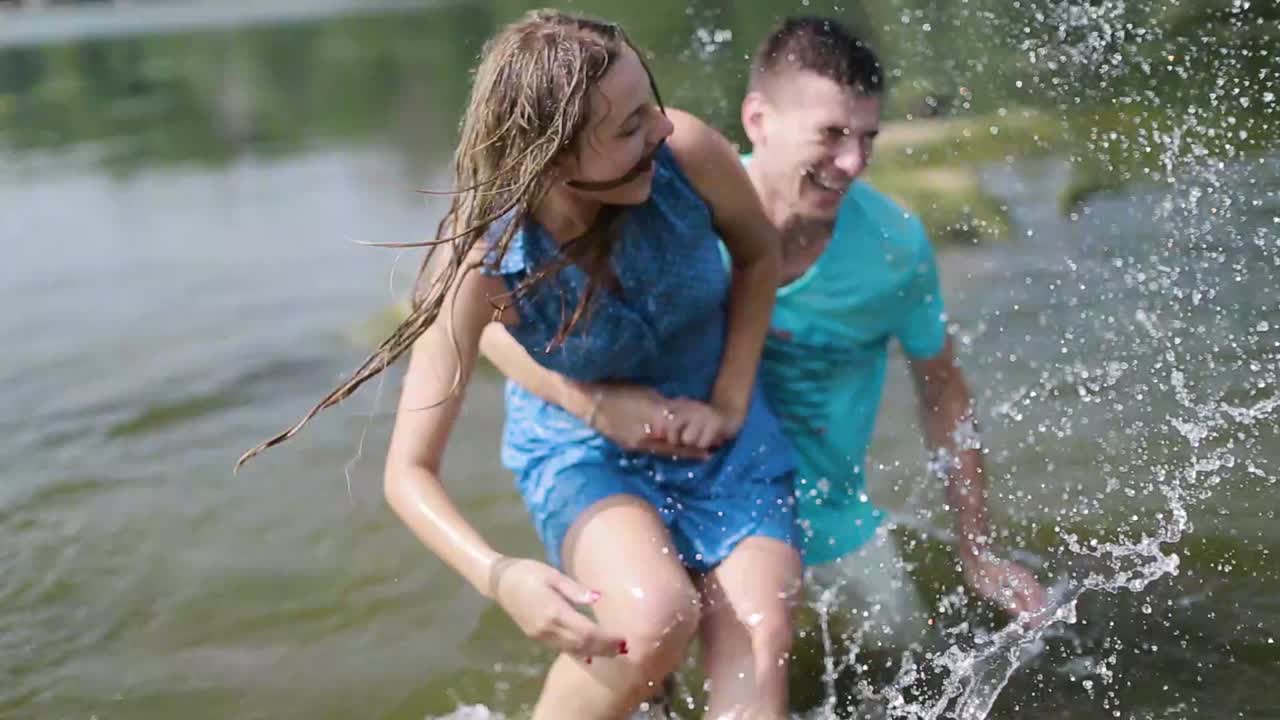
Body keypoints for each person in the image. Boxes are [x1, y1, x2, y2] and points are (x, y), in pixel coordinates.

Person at [238, 10, 804, 720]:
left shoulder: (685, 153)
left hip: (719, 425)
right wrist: (501, 577)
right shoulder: (479, 265)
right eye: (630, 126)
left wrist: (728, 399)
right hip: (584, 449)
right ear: (552, 160)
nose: (662, 128)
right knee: (652, 621)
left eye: (651, 104)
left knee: (762, 634)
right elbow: (408, 473)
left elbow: (758, 255)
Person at [479, 16, 1049, 663]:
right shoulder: (675, 208)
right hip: (673, 490)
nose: (853, 164)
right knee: (651, 645)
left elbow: (943, 391)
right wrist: (589, 406)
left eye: (868, 138)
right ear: (757, 120)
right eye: (830, 135)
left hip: (826, 522)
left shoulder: (894, 247)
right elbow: (493, 317)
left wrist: (977, 550)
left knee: (913, 662)